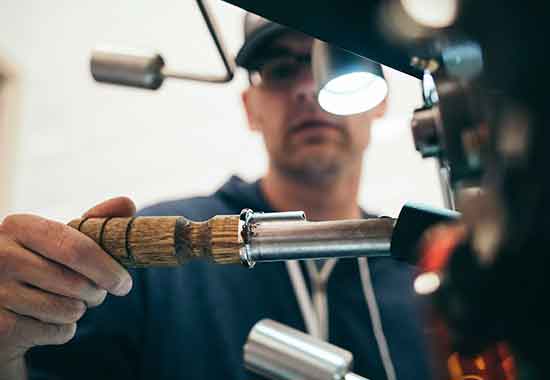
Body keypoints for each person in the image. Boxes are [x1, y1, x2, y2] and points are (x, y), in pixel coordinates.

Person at [0, 13, 432, 380]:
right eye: (282, 69)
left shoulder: (426, 272)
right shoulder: (155, 259)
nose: (308, 88)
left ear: (380, 101)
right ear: (250, 107)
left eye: (336, 64)